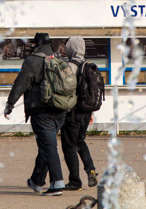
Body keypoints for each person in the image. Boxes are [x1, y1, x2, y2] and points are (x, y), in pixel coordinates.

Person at [3, 32, 67, 196]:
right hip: (60, 111)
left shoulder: (32, 61)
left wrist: (10, 104)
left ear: (35, 45)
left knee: (48, 146)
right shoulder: (59, 59)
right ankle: (37, 181)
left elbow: (20, 84)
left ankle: (57, 184)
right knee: (47, 145)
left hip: (41, 111)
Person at [60, 36, 98, 191]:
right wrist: (91, 113)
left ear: (71, 48)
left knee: (69, 146)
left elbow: (63, 89)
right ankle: (90, 169)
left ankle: (75, 181)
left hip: (72, 113)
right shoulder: (88, 65)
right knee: (80, 141)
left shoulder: (69, 67)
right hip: (86, 112)